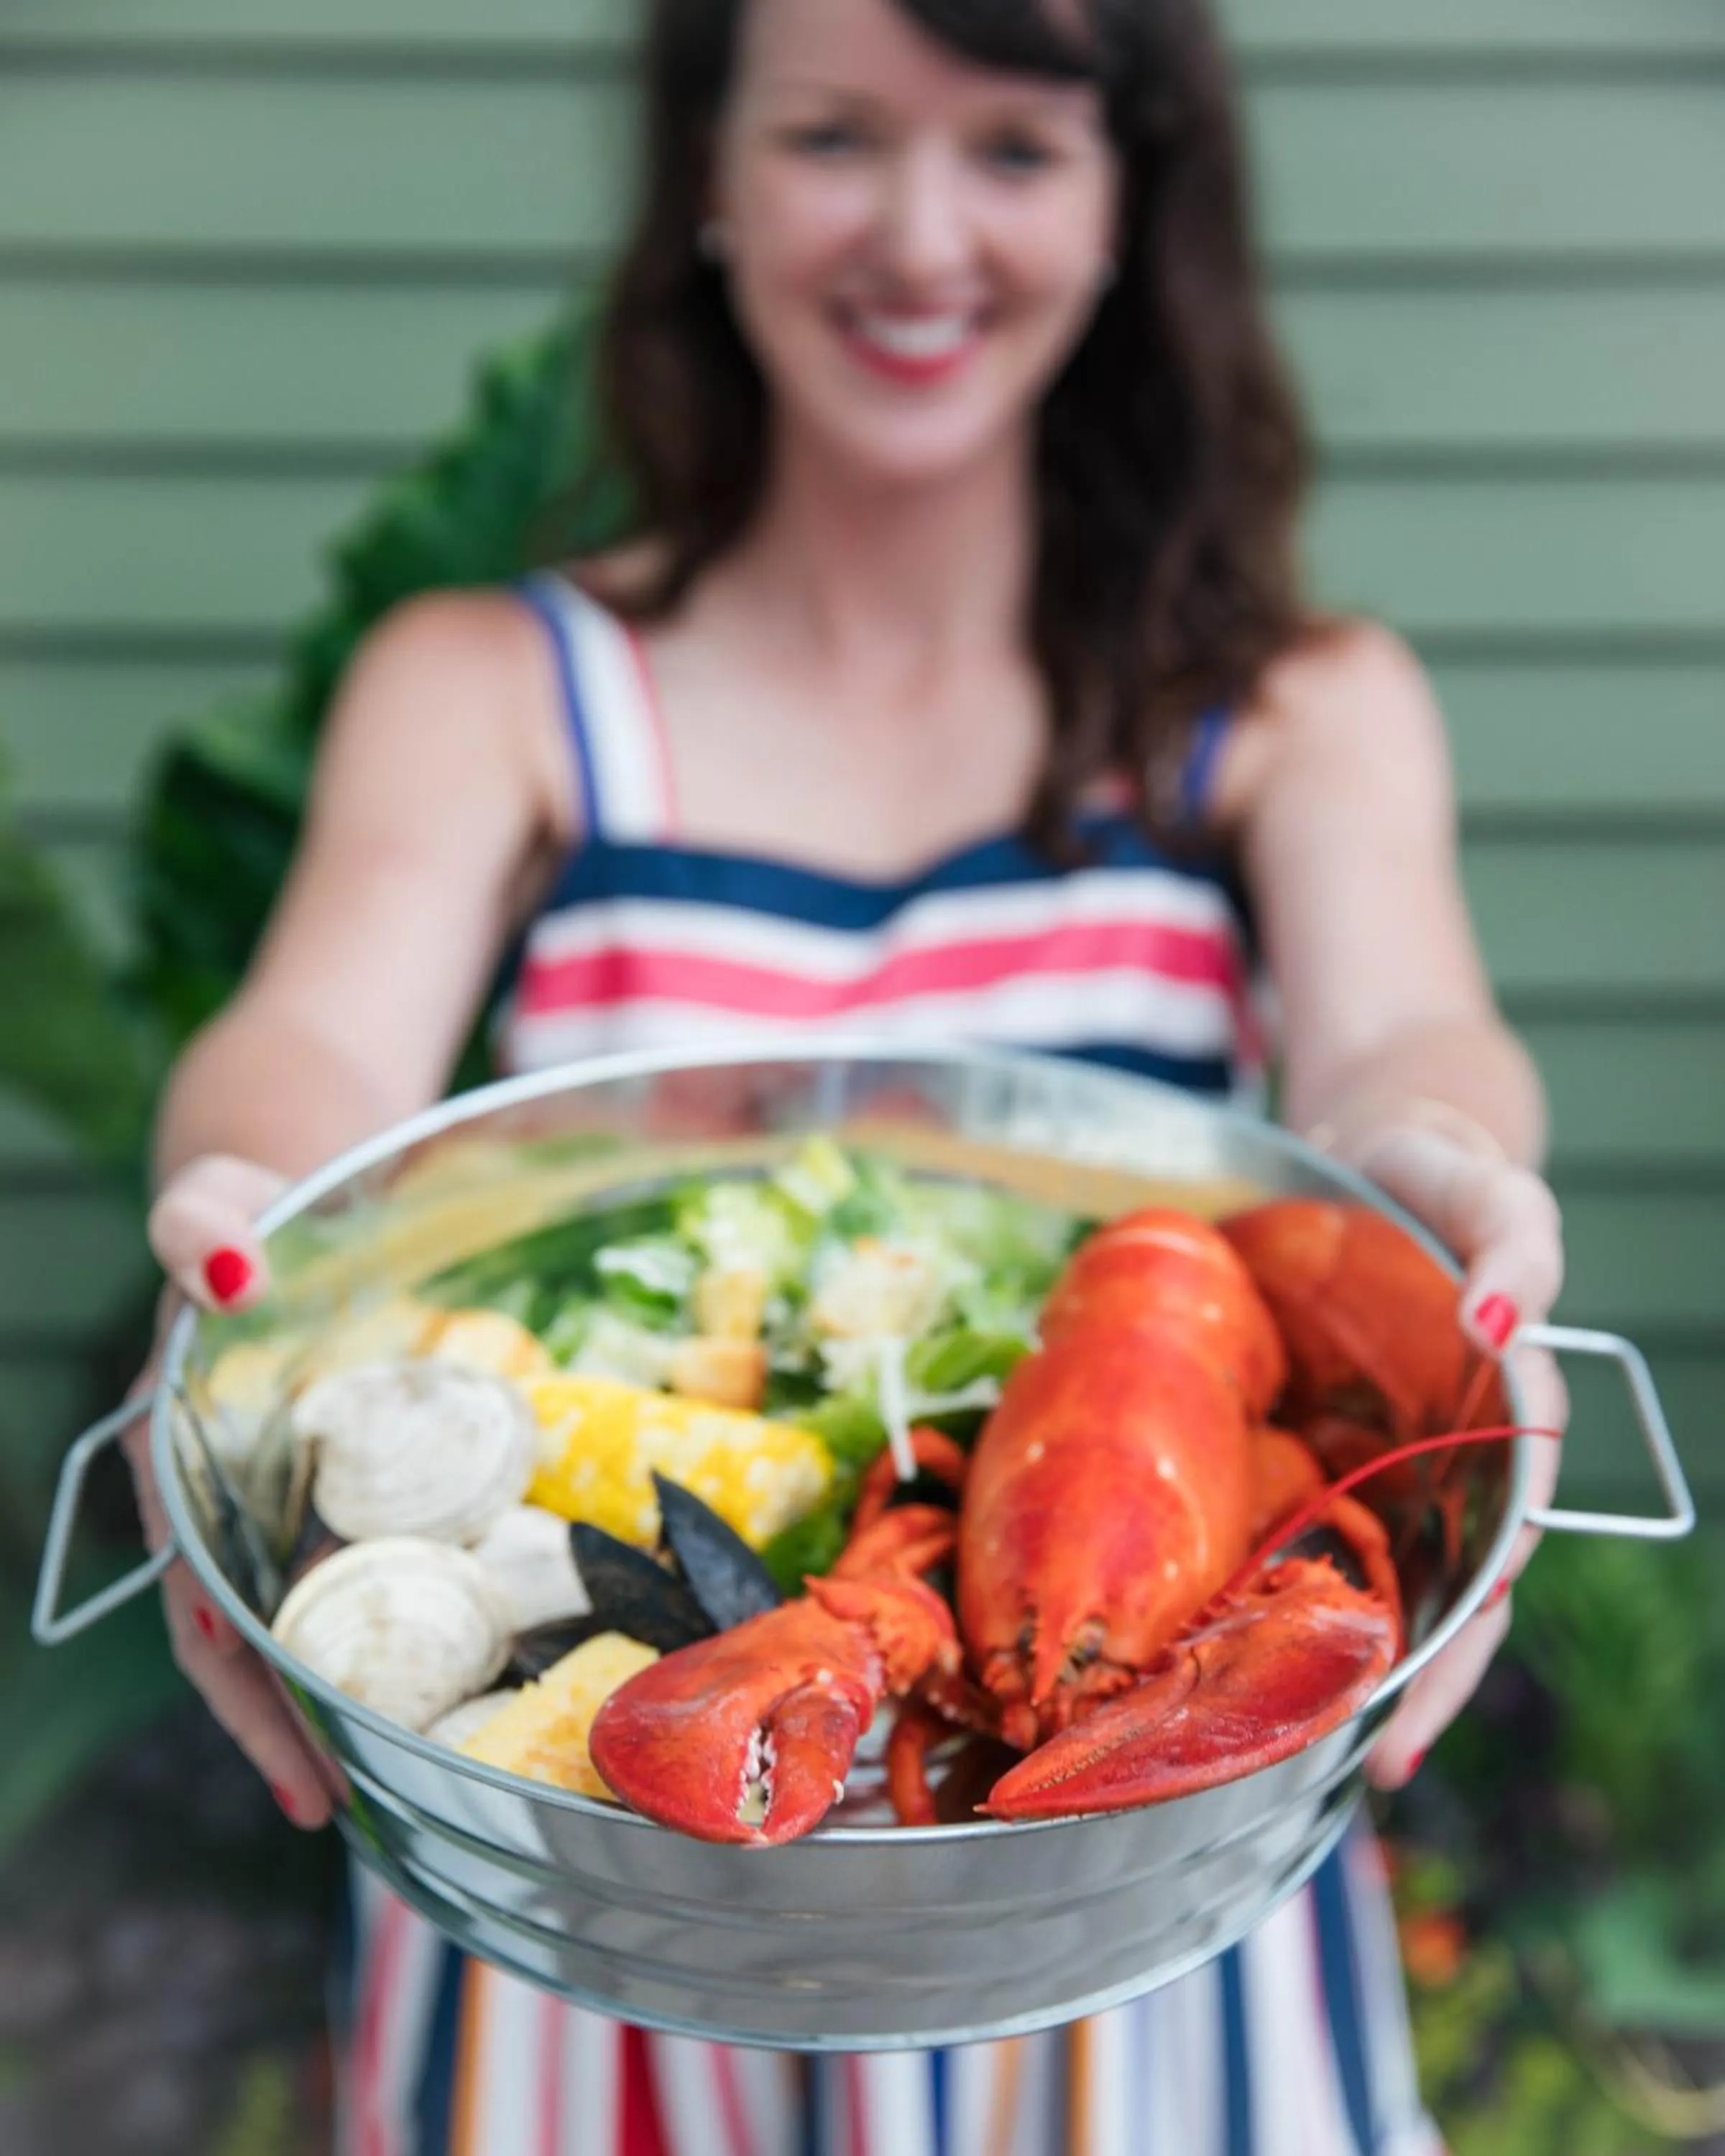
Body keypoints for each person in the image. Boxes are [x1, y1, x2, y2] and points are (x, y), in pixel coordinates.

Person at [132, 0, 1567, 2148]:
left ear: (1126, 204)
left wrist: (1440, 1173)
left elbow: (1400, 1043)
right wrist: (245, 1202)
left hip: (1149, 1910)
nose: (919, 232)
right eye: (833, 137)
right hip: (609, 1920)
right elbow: (314, 1040)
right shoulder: (497, 693)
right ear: (705, 173)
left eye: (1013, 148)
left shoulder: (1294, 709)